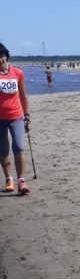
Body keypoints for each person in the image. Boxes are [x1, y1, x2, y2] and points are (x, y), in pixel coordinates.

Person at [0, 43, 32, 196]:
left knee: (19, 147)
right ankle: (9, 179)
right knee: (3, 150)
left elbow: (23, 96)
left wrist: (27, 116)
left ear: (6, 56)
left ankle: (21, 181)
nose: (0, 59)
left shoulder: (17, 73)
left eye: (1, 56)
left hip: (16, 117)